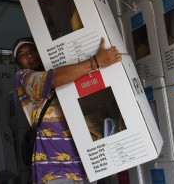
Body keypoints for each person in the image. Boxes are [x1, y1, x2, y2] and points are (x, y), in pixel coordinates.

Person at [13, 36, 122, 184]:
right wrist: (96, 62)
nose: (28, 55)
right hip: (54, 171)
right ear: (18, 64)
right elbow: (52, 80)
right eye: (21, 55)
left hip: (86, 168)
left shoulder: (68, 74)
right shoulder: (23, 77)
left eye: (32, 50)